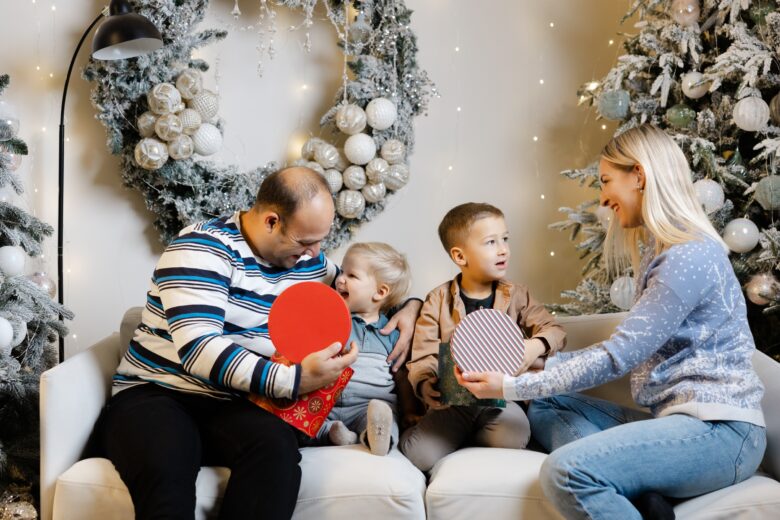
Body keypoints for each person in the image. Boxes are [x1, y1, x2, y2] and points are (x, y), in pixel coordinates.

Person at [456, 125, 767, 520]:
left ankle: (614, 480)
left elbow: (617, 356)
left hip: (721, 434)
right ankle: (637, 494)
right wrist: (538, 367)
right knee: (546, 402)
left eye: (606, 181)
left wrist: (513, 384)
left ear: (639, 175)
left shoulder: (688, 258)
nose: (603, 197)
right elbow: (619, 353)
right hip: (679, 424)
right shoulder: (669, 252)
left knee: (566, 472)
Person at [89, 167, 421, 520]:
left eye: (321, 240)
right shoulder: (201, 249)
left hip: (237, 403)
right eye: (306, 241)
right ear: (271, 221)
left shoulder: (308, 264)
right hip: (158, 391)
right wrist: (296, 381)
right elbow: (200, 350)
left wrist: (410, 308)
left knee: (277, 457)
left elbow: (367, 294)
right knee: (165, 470)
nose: (316, 252)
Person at [400, 202, 566, 472]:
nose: (503, 249)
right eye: (491, 242)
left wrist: (534, 346)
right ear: (460, 256)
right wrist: (424, 383)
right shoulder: (437, 300)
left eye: (505, 239)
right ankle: (413, 429)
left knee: (511, 436)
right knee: (418, 456)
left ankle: (469, 440)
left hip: (502, 399)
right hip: (453, 404)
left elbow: (555, 330)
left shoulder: (517, 295)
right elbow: (423, 354)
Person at [302, 241, 416, 456]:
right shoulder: (331, 322)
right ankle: (334, 434)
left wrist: (410, 411)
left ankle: (374, 438)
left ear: (380, 292)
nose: (340, 279)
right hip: (327, 405)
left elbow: (401, 376)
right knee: (302, 423)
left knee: (385, 419)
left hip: (369, 407)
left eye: (352, 276)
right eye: (342, 271)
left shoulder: (392, 333)